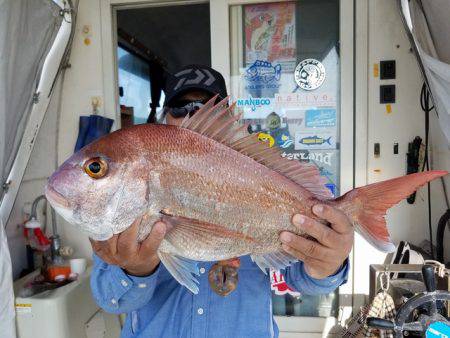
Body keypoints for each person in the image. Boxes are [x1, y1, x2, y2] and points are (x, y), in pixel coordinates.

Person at [90, 65, 354, 338]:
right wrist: (136, 270)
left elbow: (303, 279)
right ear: (164, 119)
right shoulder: (128, 191)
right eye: (180, 107)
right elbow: (111, 300)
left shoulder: (254, 169)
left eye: (206, 106)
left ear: (227, 117)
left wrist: (328, 264)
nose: (193, 114)